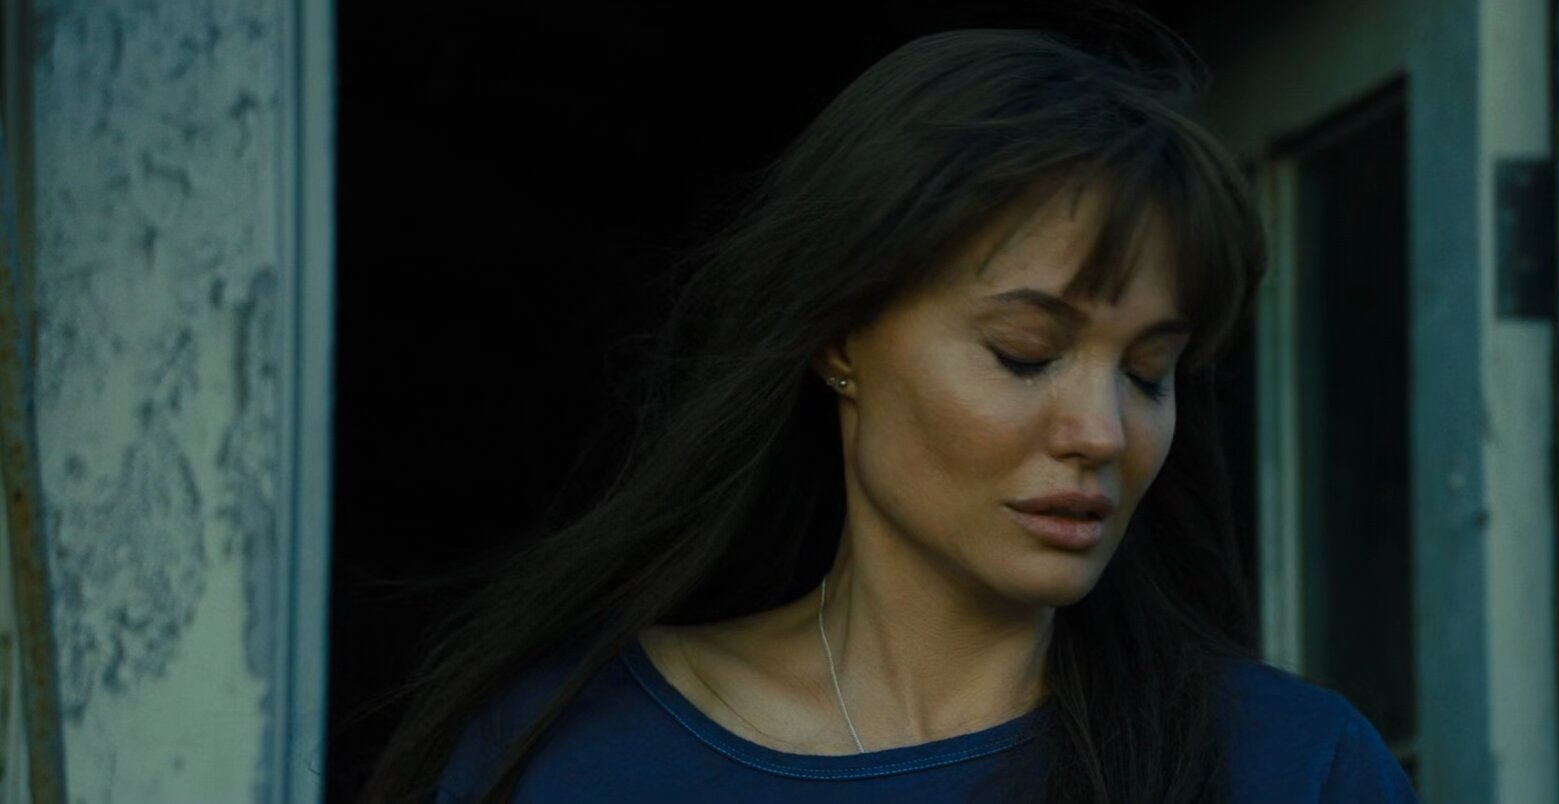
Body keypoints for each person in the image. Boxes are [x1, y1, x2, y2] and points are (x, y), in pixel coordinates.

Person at [364, 15, 1417, 804]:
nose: (1102, 432)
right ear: (840, 337)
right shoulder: (565, 751)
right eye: (1024, 353)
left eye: (1149, 373)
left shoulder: (1291, 767)